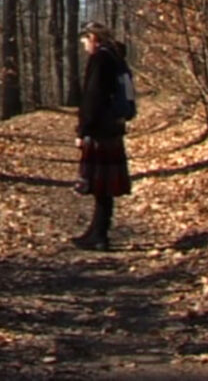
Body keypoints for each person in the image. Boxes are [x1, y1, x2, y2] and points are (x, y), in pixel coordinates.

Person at [71, 21, 132, 251]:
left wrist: (83, 129)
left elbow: (92, 99)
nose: (84, 45)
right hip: (113, 127)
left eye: (85, 40)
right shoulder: (117, 58)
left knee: (100, 185)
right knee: (104, 187)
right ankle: (97, 231)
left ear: (93, 38)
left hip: (99, 130)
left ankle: (99, 236)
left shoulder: (100, 60)